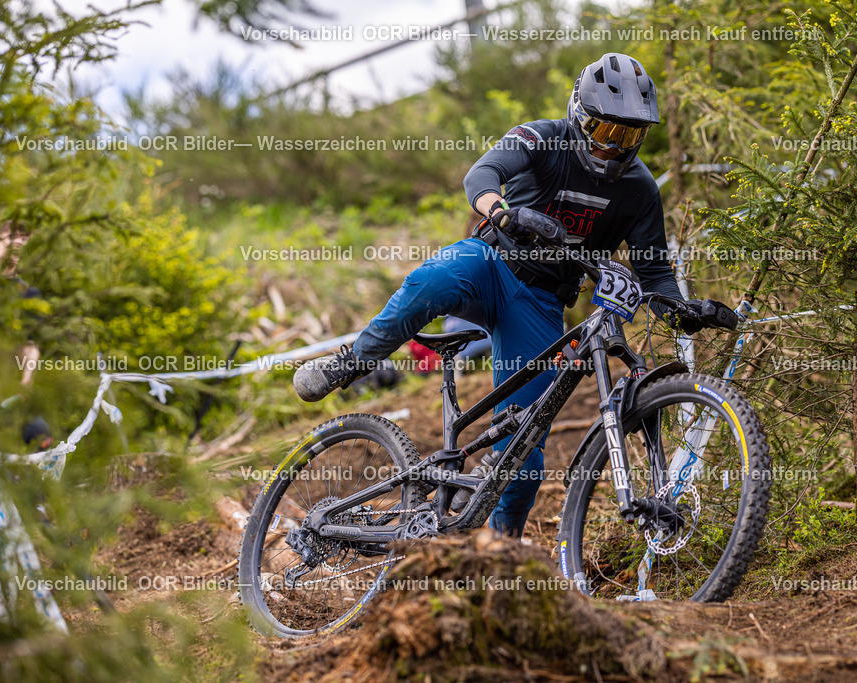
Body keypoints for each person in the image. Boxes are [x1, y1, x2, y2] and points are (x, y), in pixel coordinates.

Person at [294, 53, 707, 537]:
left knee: (524, 453)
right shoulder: (543, 137)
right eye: (605, 131)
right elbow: (482, 174)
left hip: (540, 302)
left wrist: (682, 310)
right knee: (432, 281)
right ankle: (354, 359)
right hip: (490, 263)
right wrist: (500, 210)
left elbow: (654, 270)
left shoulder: (640, 189)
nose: (614, 148)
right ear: (579, 115)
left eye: (629, 137)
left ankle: (501, 550)